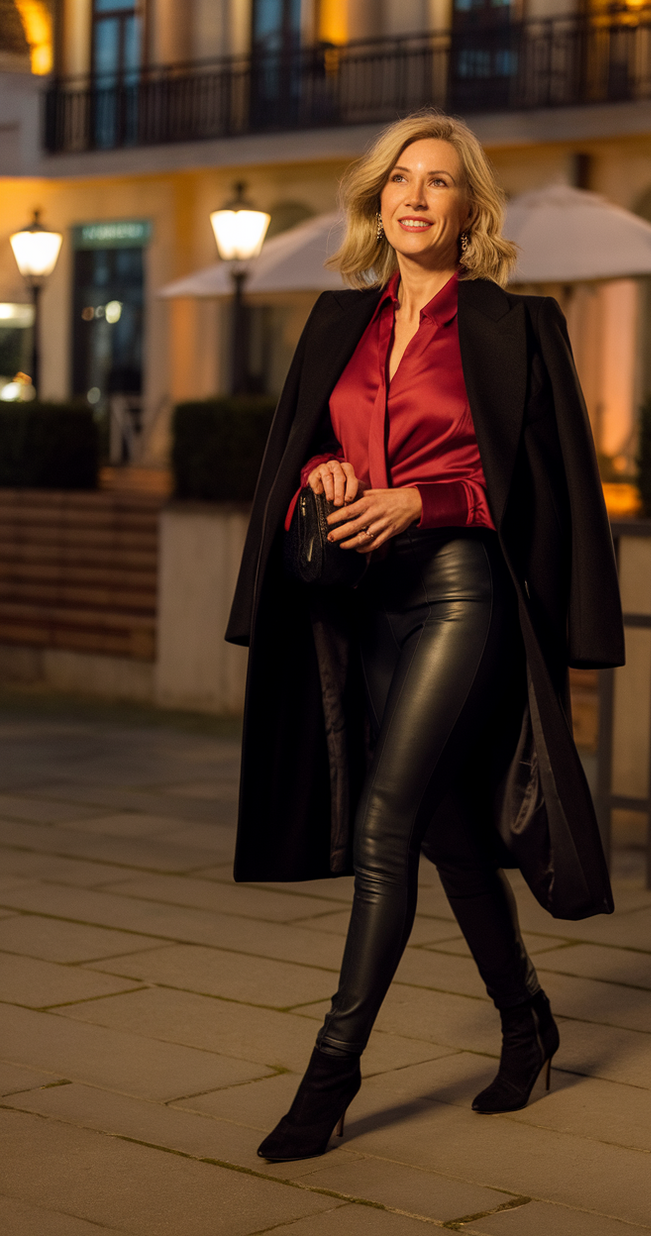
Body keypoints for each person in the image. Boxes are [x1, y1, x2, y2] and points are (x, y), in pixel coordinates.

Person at [225, 109, 624, 1164]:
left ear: (468, 210)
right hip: (362, 597)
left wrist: (425, 502)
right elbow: (303, 449)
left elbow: (538, 486)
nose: (414, 195)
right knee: (447, 831)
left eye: (438, 181)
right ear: (376, 200)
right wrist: (324, 473)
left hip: (461, 589)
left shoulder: (513, 325)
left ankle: (329, 1076)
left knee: (384, 822)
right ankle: (527, 1019)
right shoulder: (333, 323)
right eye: (400, 178)